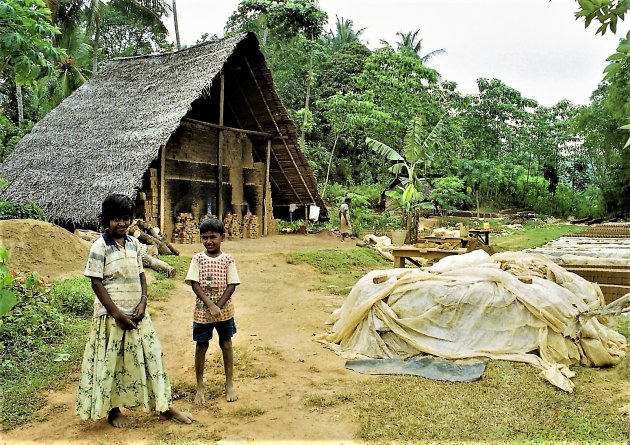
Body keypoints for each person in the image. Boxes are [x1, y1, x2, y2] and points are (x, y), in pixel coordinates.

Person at [76, 194, 193, 427]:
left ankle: (164, 406)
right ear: (106, 220)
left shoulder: (133, 243)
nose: (121, 223)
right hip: (111, 318)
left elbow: (141, 274)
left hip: (138, 315)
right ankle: (113, 410)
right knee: (113, 363)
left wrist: (143, 302)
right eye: (116, 219)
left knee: (152, 357)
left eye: (126, 219)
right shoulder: (99, 247)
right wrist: (117, 315)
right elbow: (96, 283)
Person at [185, 218, 240, 404]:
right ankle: (200, 386)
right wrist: (210, 305)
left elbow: (232, 284)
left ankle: (229, 384)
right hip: (202, 312)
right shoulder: (197, 259)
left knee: (226, 344)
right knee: (201, 346)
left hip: (225, 312)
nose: (209, 241)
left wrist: (219, 306)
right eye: (205, 237)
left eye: (213, 237)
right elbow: (194, 283)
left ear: (222, 238)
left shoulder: (228, 260)